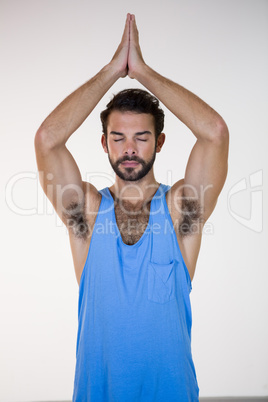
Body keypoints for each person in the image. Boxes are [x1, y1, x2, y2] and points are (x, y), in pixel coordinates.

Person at [34, 13, 229, 402]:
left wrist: (141, 72)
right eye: (118, 137)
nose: (129, 148)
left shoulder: (181, 210)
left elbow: (215, 133)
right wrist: (112, 71)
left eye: (142, 137)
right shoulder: (86, 213)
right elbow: (47, 140)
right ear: (104, 144)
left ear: (159, 143)